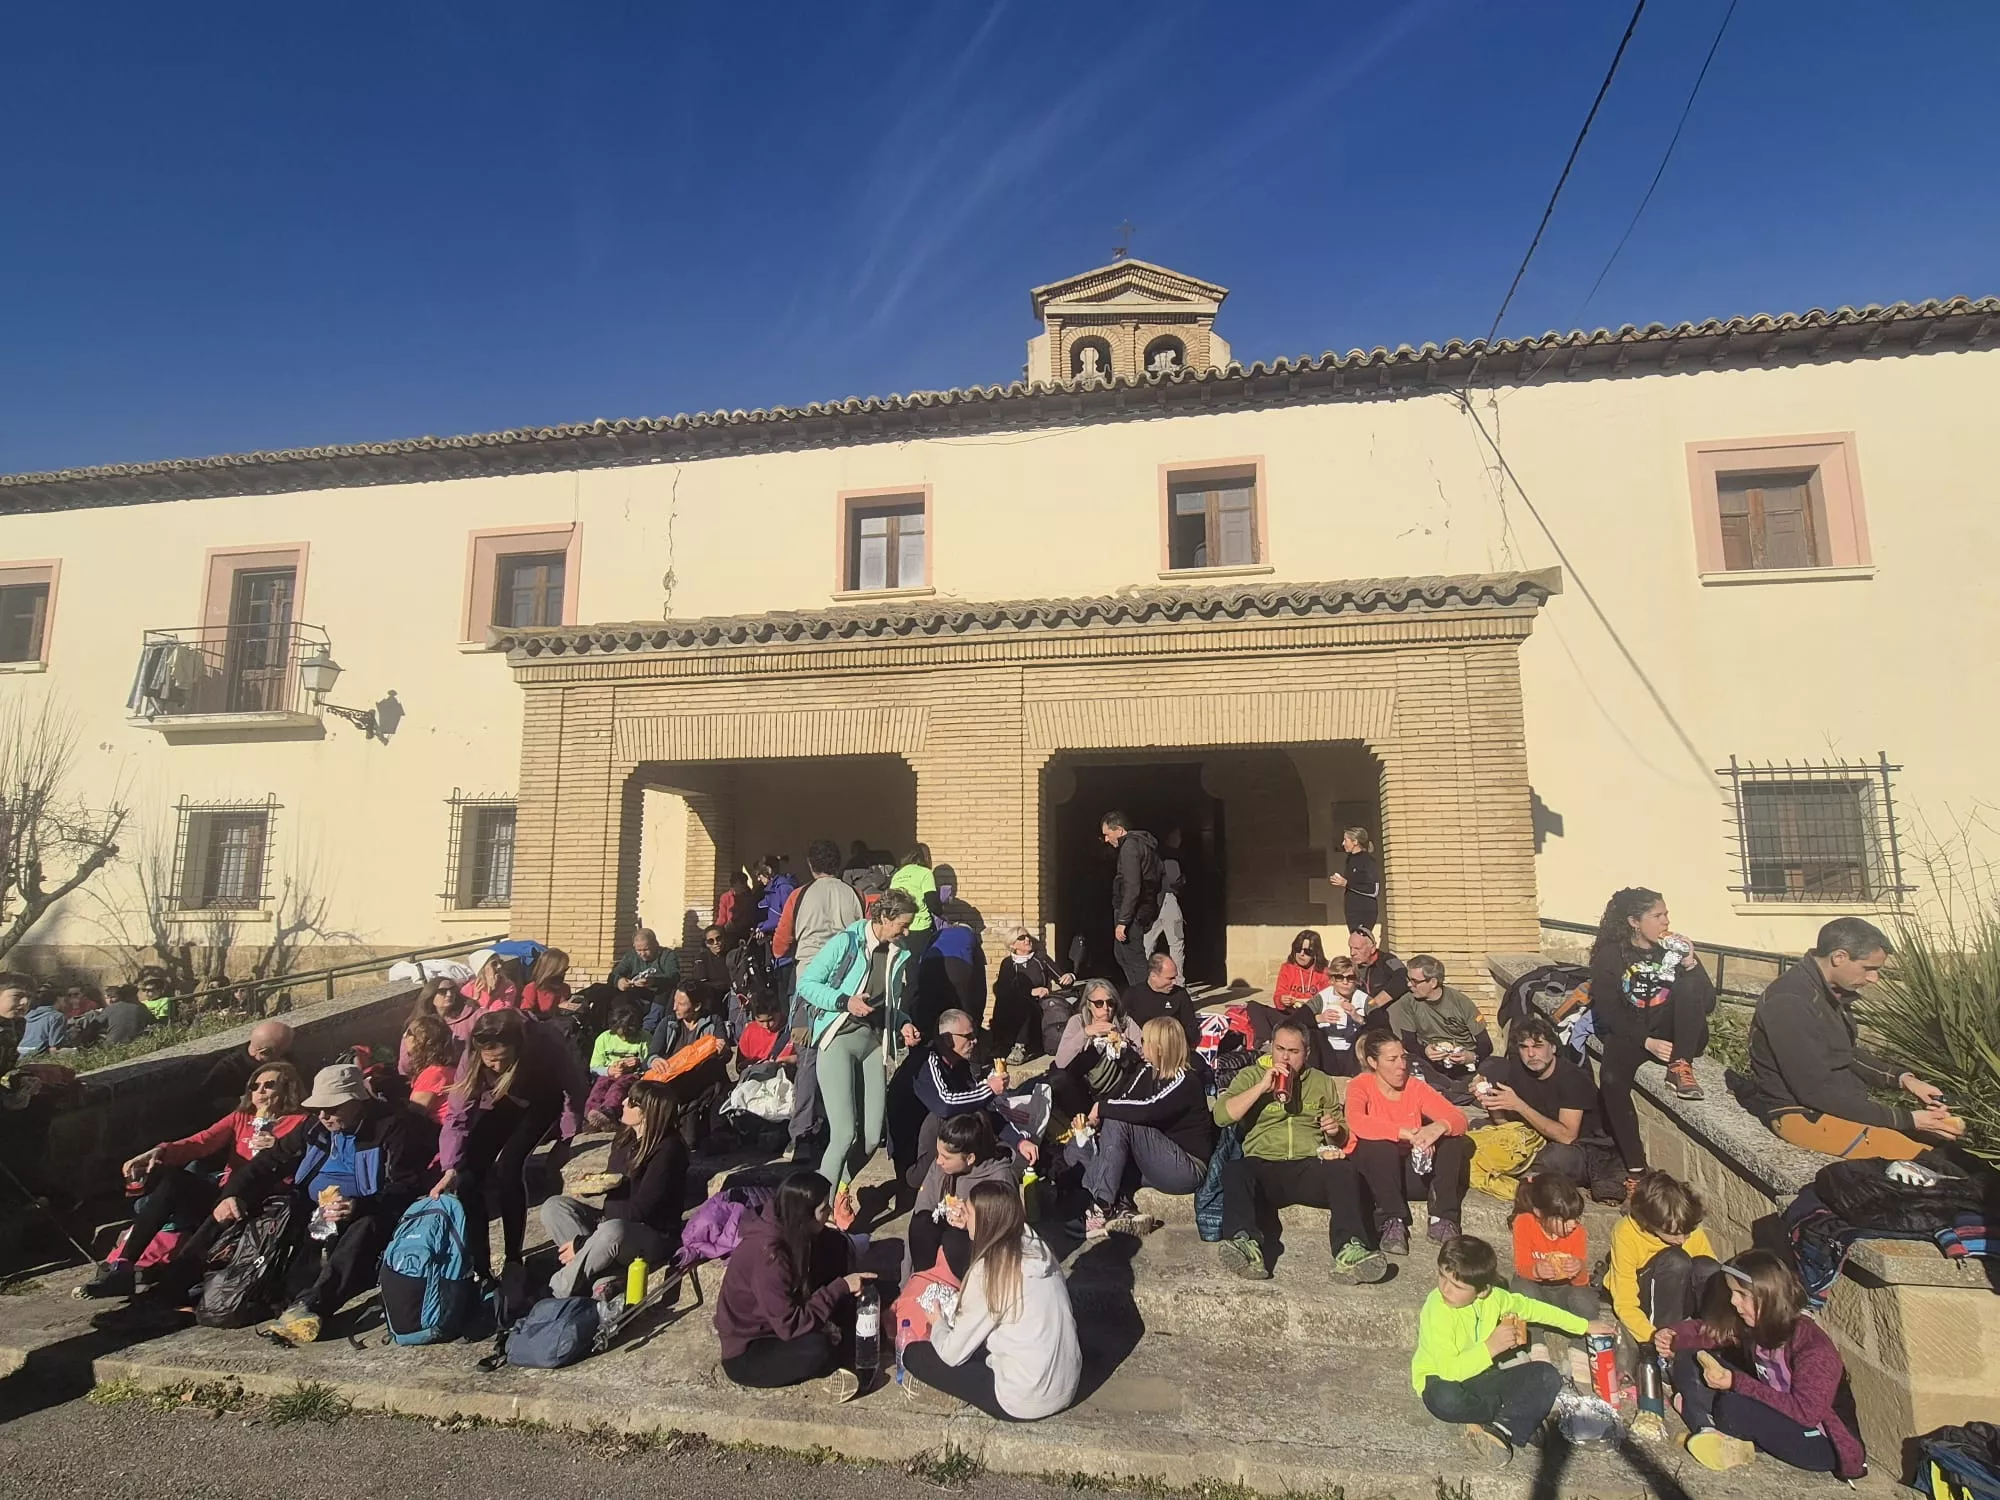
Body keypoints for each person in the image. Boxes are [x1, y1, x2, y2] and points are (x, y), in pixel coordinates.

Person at [238, 1063, 429, 1345]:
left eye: (332, 1108)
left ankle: (314, 1305)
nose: (323, 1116)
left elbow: (407, 1185)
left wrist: (358, 1205)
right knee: (289, 1217)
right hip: (316, 1209)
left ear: (356, 1101)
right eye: (318, 1109)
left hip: (372, 1209)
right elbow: (270, 1161)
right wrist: (234, 1194)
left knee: (364, 1227)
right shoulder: (316, 1127)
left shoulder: (392, 1127)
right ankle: (281, 1300)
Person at [82, 1061, 309, 1298]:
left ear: (287, 1088)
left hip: (262, 1201)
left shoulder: (300, 1122)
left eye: (269, 1085)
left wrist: (280, 1148)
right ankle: (123, 1266)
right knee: (176, 1181)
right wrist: (160, 1151)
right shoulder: (242, 1118)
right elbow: (202, 1141)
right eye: (254, 1086)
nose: (259, 1092)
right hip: (224, 1193)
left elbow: (306, 1167)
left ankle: (170, 1286)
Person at [1747, 917, 1963, 1158]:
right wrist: (1907, 1119)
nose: (1874, 978)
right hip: (1803, 1115)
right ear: (1839, 957)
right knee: (1930, 1161)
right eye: (1868, 968)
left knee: (1952, 1151)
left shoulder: (1825, 991)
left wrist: (1905, 1080)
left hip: (1835, 1107)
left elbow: (1844, 1053)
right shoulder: (1789, 1002)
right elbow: (1815, 1092)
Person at [1656, 1250, 1865, 1477]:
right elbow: (1714, 1332)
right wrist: (1674, 1336)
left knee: (1733, 1407)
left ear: (1768, 1297)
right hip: (1771, 1408)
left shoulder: (1814, 1348)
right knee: (1691, 1356)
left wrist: (1736, 1382)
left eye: (1741, 1294)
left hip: (1817, 1441)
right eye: (1732, 1293)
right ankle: (1708, 1430)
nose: (1734, 1301)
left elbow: (1806, 1413)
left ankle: (1702, 1419)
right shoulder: (1756, 1323)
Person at [1412, 1234, 1616, 1466]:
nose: (1445, 1289)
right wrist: (1490, 1348)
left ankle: (1499, 1428)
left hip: (1483, 1378)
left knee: (1547, 1375)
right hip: (1442, 1379)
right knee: (1444, 1399)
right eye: (1442, 1276)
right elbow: (1448, 1371)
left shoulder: (1495, 1299)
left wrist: (1584, 1325)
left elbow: (1534, 1309)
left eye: (1457, 1286)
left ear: (1482, 1291)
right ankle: (1515, 1419)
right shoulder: (1437, 1308)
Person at [1212, 1014, 1386, 1284]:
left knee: (1344, 1171)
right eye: (1279, 1049)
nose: (1285, 1058)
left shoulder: (1320, 1081)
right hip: (1265, 1163)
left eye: (1293, 1052)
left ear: (1307, 1052)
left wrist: (1334, 1131)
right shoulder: (1251, 1076)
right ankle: (1245, 1244)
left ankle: (1350, 1250)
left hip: (1307, 1164)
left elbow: (1341, 1136)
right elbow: (1222, 1116)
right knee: (1236, 1170)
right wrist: (1262, 1087)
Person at [901, 1178, 1082, 1421]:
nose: (965, 1217)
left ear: (985, 1222)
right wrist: (973, 1221)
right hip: (1067, 1385)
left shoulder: (989, 1271)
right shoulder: (1039, 1247)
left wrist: (937, 1323)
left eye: (969, 1214)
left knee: (914, 1355)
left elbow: (952, 1354)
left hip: (1023, 1400)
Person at [433, 1007, 589, 1284]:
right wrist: (450, 1166)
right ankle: (480, 1266)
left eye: (502, 1059)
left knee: (509, 1165)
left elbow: (574, 1090)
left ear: (518, 1046)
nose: (496, 1066)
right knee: (468, 1174)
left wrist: (565, 1140)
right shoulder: (472, 1056)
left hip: (543, 1097)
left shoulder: (545, 1042)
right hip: (504, 1098)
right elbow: (458, 1115)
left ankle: (513, 1258)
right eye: (490, 1061)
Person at [1588, 887, 1716, 1197]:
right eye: (1657, 916)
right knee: (1611, 1079)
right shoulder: (1611, 957)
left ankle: (1680, 1068)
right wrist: (1646, 1042)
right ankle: (1636, 1169)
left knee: (1688, 988)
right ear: (1634, 921)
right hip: (1634, 1031)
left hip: (1677, 1032)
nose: (1665, 921)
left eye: (1666, 914)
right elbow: (1609, 1012)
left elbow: (1707, 1003)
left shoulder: (1673, 951)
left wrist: (1690, 963)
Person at [798, 888, 921, 1188]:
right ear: (884, 917)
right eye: (902, 925)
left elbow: (887, 1003)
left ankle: (840, 1190)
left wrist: (903, 1023)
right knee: (843, 1135)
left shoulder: (898, 952)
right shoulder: (847, 942)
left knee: (871, 1138)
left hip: (873, 1045)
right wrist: (844, 1001)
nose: (906, 932)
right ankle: (819, 1206)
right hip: (839, 1039)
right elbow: (806, 984)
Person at [713, 1170, 870, 1394]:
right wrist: (840, 1287)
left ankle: (841, 1338)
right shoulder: (769, 1257)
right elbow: (789, 1325)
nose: (829, 1212)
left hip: (779, 1324)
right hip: (751, 1347)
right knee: (819, 1348)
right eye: (823, 1208)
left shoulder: (792, 1230)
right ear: (803, 1214)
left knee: (834, 1243)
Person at [540, 1078, 689, 1299]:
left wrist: (582, 1244)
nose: (624, 1102)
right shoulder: (625, 1136)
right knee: (554, 1207)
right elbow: (615, 1179)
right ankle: (605, 1276)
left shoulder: (669, 1149)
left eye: (632, 1102)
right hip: (610, 1221)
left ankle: (555, 1290)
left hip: (650, 1233)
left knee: (612, 1231)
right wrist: (593, 1184)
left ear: (648, 1112)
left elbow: (643, 1209)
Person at [1068, 1015, 1213, 1238]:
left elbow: (1149, 1109)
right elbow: (1124, 1099)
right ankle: (1122, 1210)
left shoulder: (1186, 1080)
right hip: (1153, 1160)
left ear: (1160, 1048)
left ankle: (1103, 1207)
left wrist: (1101, 1108)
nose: (1140, 1044)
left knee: (1119, 1120)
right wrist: (1094, 1123)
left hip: (1185, 1167)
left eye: (1144, 1040)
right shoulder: (1146, 1071)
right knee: (1086, 1148)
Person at [1468, 1013, 1620, 1203]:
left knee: (1554, 1157)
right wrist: (1492, 1103)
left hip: (1585, 1149)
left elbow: (1567, 1136)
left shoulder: (1573, 1079)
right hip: (1538, 1140)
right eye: (1524, 1047)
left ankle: (1526, 1177)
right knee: (1479, 1131)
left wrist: (1519, 1106)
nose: (1531, 1054)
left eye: (1538, 1046)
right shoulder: (1519, 1071)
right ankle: (1523, 1172)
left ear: (1553, 1047)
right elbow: (1504, 1124)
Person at [1345, 1031, 1471, 1253]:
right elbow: (1356, 1121)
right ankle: (1392, 1221)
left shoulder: (1414, 1087)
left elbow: (1459, 1119)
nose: (1401, 1066)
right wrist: (1403, 1133)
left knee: (1453, 1140)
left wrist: (1438, 1127)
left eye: (1403, 1057)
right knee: (1379, 1146)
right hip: (1379, 1176)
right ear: (1373, 1062)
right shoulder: (1360, 1085)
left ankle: (1442, 1219)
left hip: (1413, 1172)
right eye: (1392, 1060)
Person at [895, 1008, 1029, 1182]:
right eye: (968, 1036)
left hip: (940, 1150)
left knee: (976, 1110)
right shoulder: (926, 1061)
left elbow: (980, 1106)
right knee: (948, 1115)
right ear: (947, 1039)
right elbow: (944, 1105)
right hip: (912, 1158)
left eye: (974, 1035)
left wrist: (1019, 1141)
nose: (975, 1041)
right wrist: (988, 1090)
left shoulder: (960, 1064)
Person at [1607, 1170, 1719, 1349]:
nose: (1682, 1240)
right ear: (1650, 1224)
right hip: (1649, 1302)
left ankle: (1714, 1337)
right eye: (1674, 1234)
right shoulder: (1626, 1233)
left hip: (1682, 1297)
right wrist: (1651, 1335)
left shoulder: (1683, 1223)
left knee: (1708, 1266)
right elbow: (1625, 1301)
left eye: (1687, 1232)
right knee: (1676, 1260)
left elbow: (1710, 1276)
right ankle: (1666, 1343)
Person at [910, 1110, 1018, 1280]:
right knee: (920, 1222)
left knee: (954, 1239)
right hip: (940, 1239)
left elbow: (1003, 1232)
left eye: (946, 1157)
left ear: (970, 1158)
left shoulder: (998, 1179)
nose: (938, 1161)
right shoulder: (940, 1167)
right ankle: (923, 1280)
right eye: (938, 1154)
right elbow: (923, 1205)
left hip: (975, 1246)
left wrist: (969, 1222)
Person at [1379, 956, 1491, 1109]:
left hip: (1463, 1063)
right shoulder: (1408, 1002)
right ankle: (1461, 1091)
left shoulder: (1460, 1002)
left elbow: (1486, 1043)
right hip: (1431, 1064)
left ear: (1433, 982)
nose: (1409, 985)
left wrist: (1472, 1056)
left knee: (1498, 1063)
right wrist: (1425, 1051)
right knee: (1407, 1061)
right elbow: (1409, 1042)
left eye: (1415, 981)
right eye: (1408, 979)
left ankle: (1451, 1092)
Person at [1049, 978, 1144, 1123]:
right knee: (1057, 1075)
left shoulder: (1125, 1023)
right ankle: (1082, 1119)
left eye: (1110, 1003)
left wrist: (1125, 1045)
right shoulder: (1078, 1022)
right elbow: (1060, 1062)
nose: (1106, 1008)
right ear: (1089, 1004)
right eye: (1099, 1003)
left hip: (1116, 1089)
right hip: (1084, 1089)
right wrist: (1086, 1033)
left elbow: (1144, 1054)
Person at [1509, 1172, 1598, 1321]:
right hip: (1536, 1289)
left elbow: (1581, 1282)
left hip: (1564, 1290)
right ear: (1539, 1212)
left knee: (1586, 1302)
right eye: (1565, 1219)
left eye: (1575, 1218)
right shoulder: (1523, 1223)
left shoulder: (1578, 1232)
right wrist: (1535, 1270)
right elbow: (1521, 1267)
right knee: (1523, 1291)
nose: (1572, 1224)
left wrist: (1578, 1268)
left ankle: (1576, 1333)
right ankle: (1535, 1333)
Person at [989, 930, 1073, 1066]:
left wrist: (1069, 977)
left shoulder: (1041, 959)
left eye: (1027, 936)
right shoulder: (1007, 963)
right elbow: (1004, 988)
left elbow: (1061, 980)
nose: (1027, 939)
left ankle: (1020, 1046)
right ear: (1012, 945)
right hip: (1014, 1006)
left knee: (1024, 1003)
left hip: (1038, 1006)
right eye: (1022, 938)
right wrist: (1030, 991)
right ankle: (1000, 1042)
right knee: (1005, 999)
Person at [1101, 811, 1164, 987]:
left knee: (1133, 957)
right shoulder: (1143, 845)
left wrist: (1123, 921)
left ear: (1119, 830)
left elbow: (1132, 886)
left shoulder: (1129, 847)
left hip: (1132, 910)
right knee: (1122, 954)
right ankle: (1139, 993)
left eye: (1107, 834)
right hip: (1141, 907)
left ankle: (1146, 995)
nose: (1106, 839)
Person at [195, 1019, 296, 1112]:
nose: (288, 1051)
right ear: (265, 1052)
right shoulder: (228, 1070)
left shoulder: (279, 1059)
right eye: (283, 1051)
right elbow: (213, 1100)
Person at [912, 923, 986, 1041]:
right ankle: (968, 1039)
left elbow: (922, 957)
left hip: (930, 965)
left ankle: (927, 1039)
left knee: (930, 1006)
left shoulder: (938, 934)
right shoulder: (970, 935)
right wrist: (977, 1016)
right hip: (959, 966)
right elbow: (979, 978)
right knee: (963, 1007)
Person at [1123, 953, 1202, 1054]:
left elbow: (1191, 1029)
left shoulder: (1180, 994)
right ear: (1153, 976)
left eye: (1175, 977)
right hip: (1143, 1052)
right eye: (1170, 978)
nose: (1175, 982)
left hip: (1174, 1051)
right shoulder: (1133, 995)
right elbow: (1123, 1024)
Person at [1142, 828, 1188, 981]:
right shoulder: (1171, 857)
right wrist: (1183, 881)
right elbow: (1175, 879)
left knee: (1147, 945)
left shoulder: (1149, 856)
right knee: (1176, 943)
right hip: (1169, 902)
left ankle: (1146, 980)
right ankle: (1178, 981)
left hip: (1151, 903)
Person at [401, 1014, 461, 1123]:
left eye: (408, 1033)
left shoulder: (432, 1075)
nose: (404, 1037)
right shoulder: (449, 1068)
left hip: (438, 1129)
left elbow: (414, 1114)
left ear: (417, 1041)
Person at [887, 845, 942, 962]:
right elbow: (932, 903)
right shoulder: (925, 873)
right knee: (919, 965)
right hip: (920, 926)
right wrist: (943, 914)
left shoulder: (898, 875)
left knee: (903, 963)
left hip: (899, 927)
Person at [1327, 827, 1382, 934]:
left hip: (1364, 911)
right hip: (1352, 912)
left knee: (1360, 941)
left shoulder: (1368, 861)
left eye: (1345, 840)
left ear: (1355, 842)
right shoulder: (1350, 859)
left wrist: (1346, 883)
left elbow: (1373, 890)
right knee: (1354, 940)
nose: (1343, 843)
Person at [611, 928, 680, 1004]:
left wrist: (653, 981)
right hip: (637, 995)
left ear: (655, 944)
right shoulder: (631, 956)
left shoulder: (668, 955)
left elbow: (674, 976)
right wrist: (619, 981)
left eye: (646, 949)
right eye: (639, 950)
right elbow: (616, 973)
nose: (643, 954)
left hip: (661, 996)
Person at [1348, 929, 1409, 1012]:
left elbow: (1403, 979)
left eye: (1357, 948)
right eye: (1350, 948)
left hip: (1389, 1012)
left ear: (1372, 948)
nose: (1352, 953)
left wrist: (1372, 1004)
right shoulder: (1351, 966)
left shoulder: (1388, 960)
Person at [1273, 930, 1331, 1009]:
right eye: (1298, 949)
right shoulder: (1287, 968)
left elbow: (1325, 999)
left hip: (1312, 1012)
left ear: (1316, 953)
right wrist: (1281, 1000)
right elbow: (1278, 994)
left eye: (1307, 951)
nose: (1301, 954)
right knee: (1256, 1007)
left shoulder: (1323, 972)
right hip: (1290, 1011)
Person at [520, 948, 573, 1016]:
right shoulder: (532, 988)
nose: (564, 974)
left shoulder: (565, 988)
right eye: (562, 970)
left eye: (566, 969)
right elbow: (526, 1015)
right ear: (550, 971)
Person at [18, 987, 69, 1056]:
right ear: (58, 999)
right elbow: (55, 1045)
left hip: (22, 1052)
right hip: (38, 1054)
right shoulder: (57, 1016)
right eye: (64, 1001)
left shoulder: (30, 1014)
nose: (66, 1004)